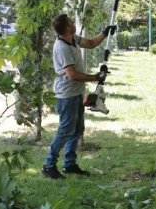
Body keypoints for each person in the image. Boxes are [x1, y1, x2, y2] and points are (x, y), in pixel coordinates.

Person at [42, 13, 116, 179]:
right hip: (66, 95)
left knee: (77, 130)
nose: (73, 23)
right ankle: (49, 165)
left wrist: (105, 33)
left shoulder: (72, 38)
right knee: (65, 130)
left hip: (75, 93)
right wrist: (95, 77)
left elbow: (90, 43)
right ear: (67, 27)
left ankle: (70, 164)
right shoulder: (61, 47)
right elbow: (72, 75)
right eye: (71, 22)